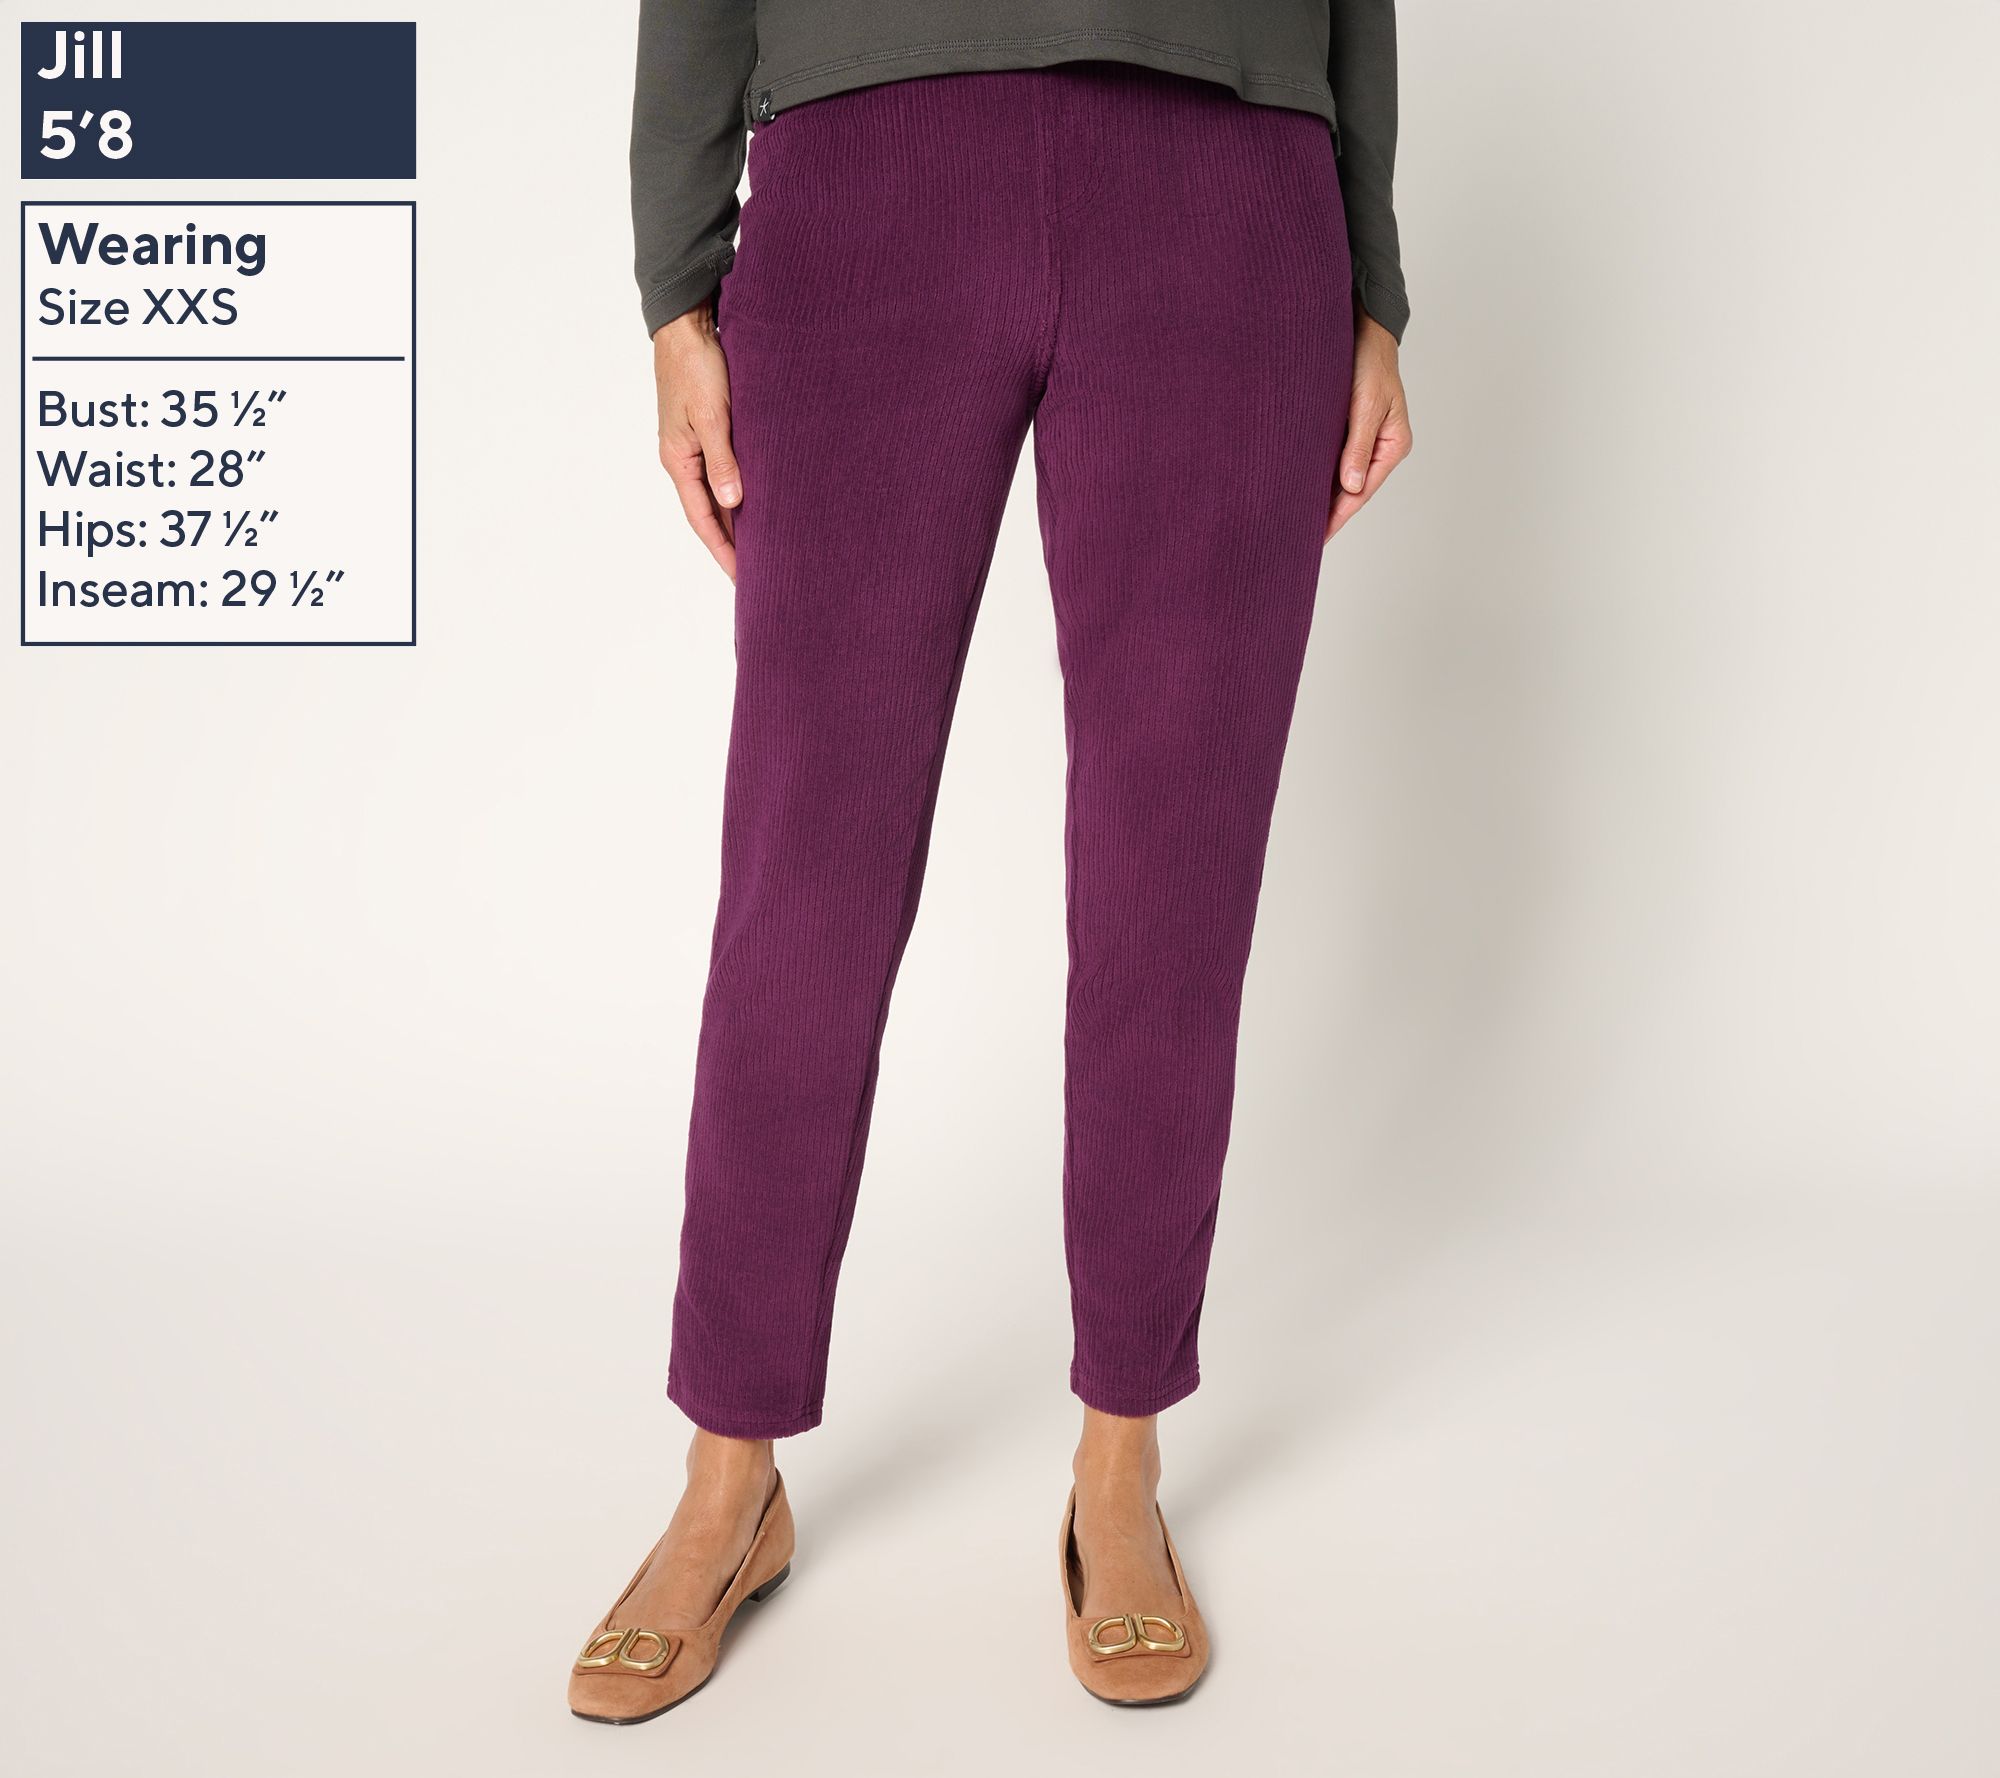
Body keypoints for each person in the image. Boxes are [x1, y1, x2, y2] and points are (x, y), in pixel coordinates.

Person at [570, 0, 1413, 1720]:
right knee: (807, 862)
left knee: (1173, 873)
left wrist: (1374, 283)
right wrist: (675, 285)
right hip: (865, 163)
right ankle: (729, 1474)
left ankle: (1122, 1455)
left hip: (1225, 173)